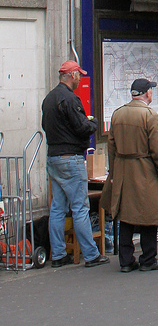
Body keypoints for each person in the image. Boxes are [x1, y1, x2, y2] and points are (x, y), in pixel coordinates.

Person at [41, 59, 110, 268]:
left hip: (53, 157)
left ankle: (58, 255)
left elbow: (45, 126)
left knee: (57, 208)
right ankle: (91, 255)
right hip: (71, 158)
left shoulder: (49, 98)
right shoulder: (71, 99)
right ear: (72, 75)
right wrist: (93, 122)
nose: (80, 79)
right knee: (80, 207)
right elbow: (82, 128)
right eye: (78, 75)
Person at [102, 78, 158, 272]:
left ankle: (126, 260)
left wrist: (114, 172)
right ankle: (148, 259)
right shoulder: (150, 116)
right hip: (145, 169)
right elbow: (157, 149)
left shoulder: (117, 114)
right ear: (147, 93)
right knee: (149, 214)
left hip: (123, 170)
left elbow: (111, 146)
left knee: (125, 215)